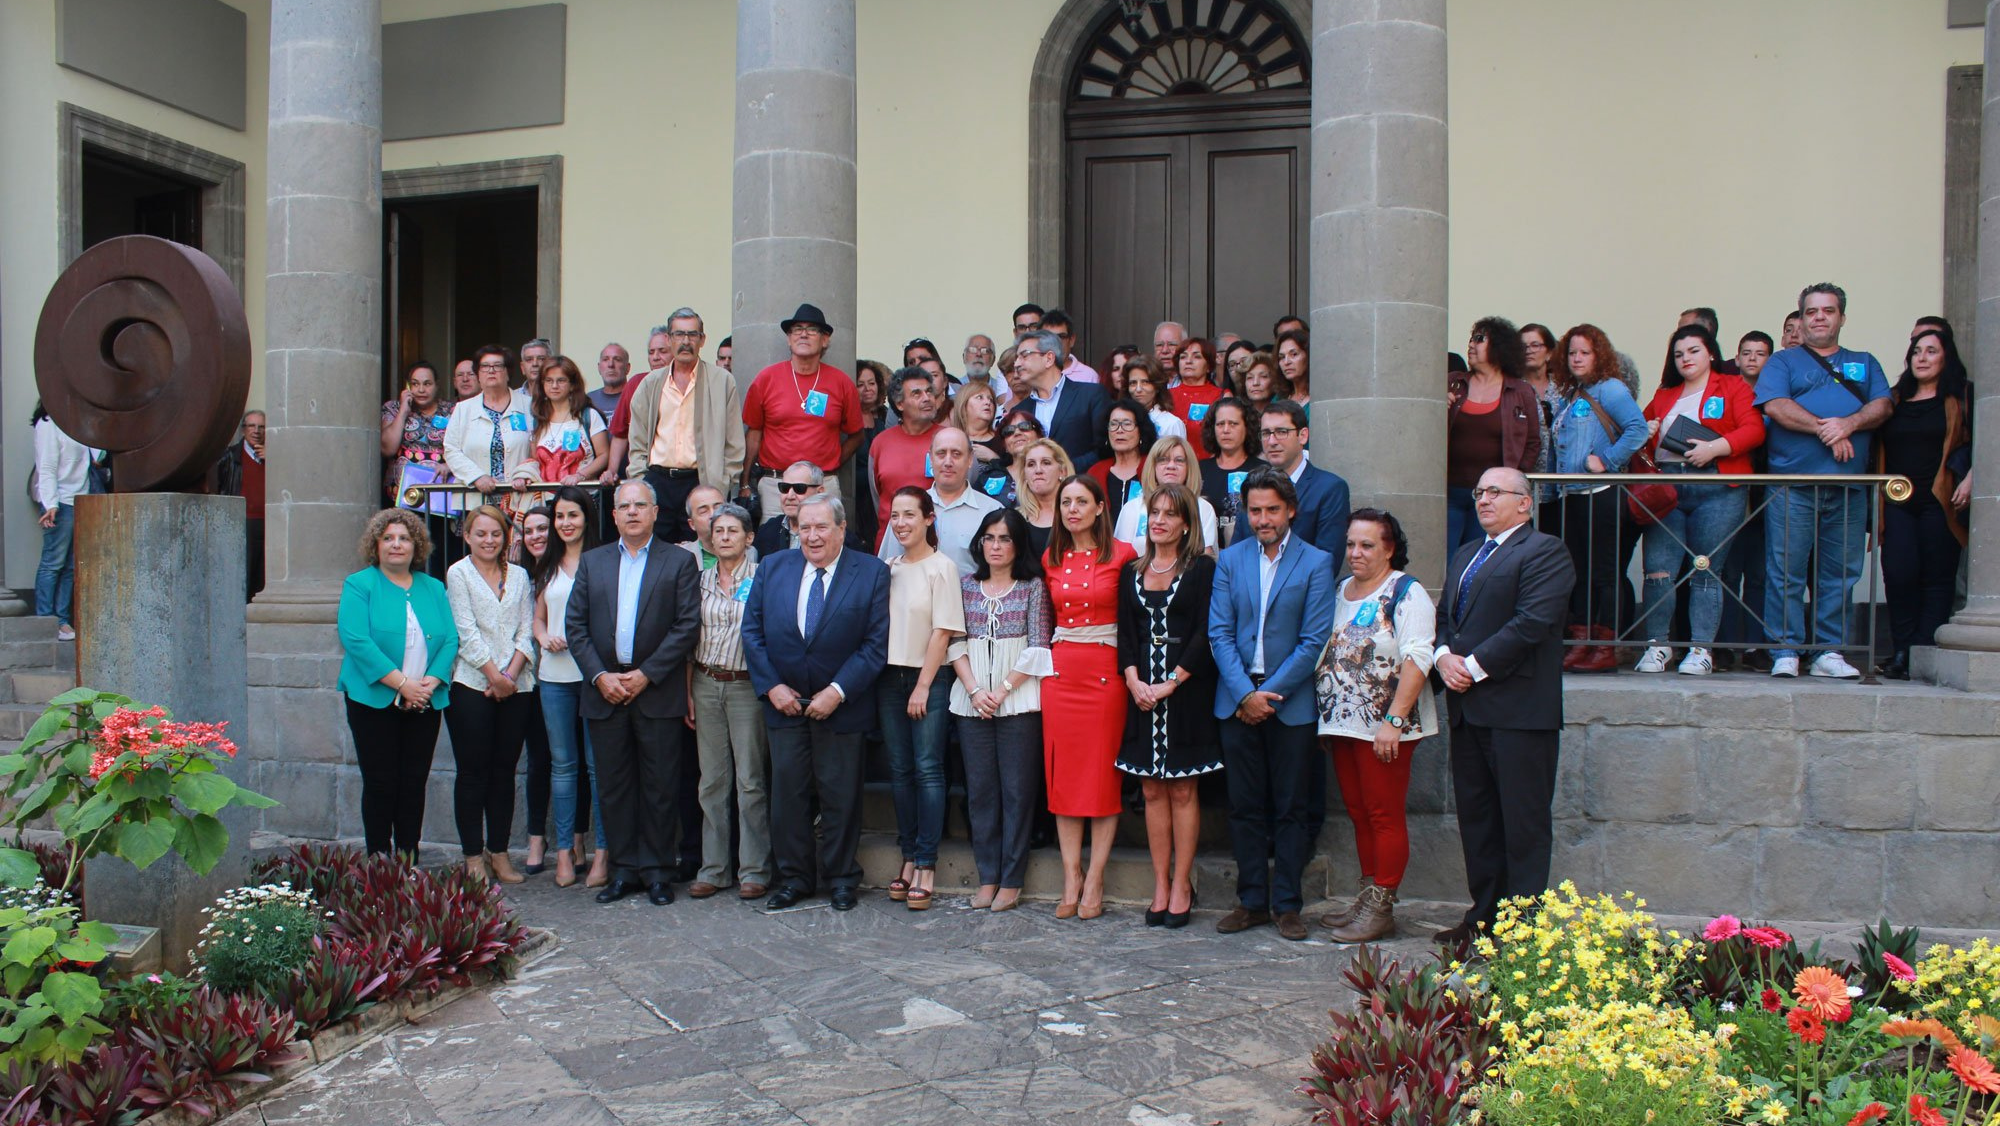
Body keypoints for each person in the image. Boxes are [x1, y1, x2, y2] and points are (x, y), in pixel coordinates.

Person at [1433, 468, 1576, 945]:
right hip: (1468, 710)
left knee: (1523, 825)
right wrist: (1442, 657)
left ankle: (1522, 932)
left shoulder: (1544, 551)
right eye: (1479, 491)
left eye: (1496, 491)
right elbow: (1445, 618)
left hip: (1519, 714)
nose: (1483, 499)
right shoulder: (1467, 553)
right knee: (1479, 822)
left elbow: (1532, 622)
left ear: (1525, 503)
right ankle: (1483, 919)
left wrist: (1472, 667)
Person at [743, 495, 891, 912]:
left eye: (821, 527)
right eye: (804, 528)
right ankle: (794, 879)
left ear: (841, 529)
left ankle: (841, 878)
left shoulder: (872, 572)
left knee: (841, 797)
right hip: (784, 705)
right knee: (788, 797)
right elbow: (752, 631)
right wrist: (772, 687)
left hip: (842, 706)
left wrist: (837, 691)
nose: (812, 536)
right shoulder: (773, 567)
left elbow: (875, 644)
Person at [1208, 470, 1334, 942]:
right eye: (1255, 510)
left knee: (1291, 806)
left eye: (1272, 510)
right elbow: (1220, 632)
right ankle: (1251, 902)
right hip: (1237, 699)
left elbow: (1313, 640)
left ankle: (1287, 905)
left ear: (1291, 510)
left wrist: (1267, 695)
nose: (1263, 519)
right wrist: (1245, 694)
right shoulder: (1230, 559)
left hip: (1290, 702)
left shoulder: (1316, 562)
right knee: (1243, 806)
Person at [566, 480, 702, 906]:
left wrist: (647, 674)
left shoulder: (679, 561)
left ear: (655, 512)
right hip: (604, 690)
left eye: (640, 505)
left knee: (660, 785)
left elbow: (686, 626)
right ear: (613, 515)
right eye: (624, 506)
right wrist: (599, 676)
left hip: (655, 689)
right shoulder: (593, 562)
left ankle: (658, 871)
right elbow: (575, 626)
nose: (631, 512)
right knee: (614, 786)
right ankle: (624, 870)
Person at [1755, 282, 1891, 680]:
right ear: (1800, 319)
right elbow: (1776, 406)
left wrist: (1849, 423)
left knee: (1840, 574)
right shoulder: (1782, 362)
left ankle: (1829, 652)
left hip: (1849, 488)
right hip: (1792, 485)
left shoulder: (1864, 361)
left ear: (1841, 318)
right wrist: (1827, 430)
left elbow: (1883, 405)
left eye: (1828, 311)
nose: (1819, 318)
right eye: (1811, 311)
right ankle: (1785, 650)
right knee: (1785, 571)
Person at [1313, 508, 1437, 943]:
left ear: (1389, 549)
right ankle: (1367, 899)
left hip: (1385, 728)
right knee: (1358, 812)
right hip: (1343, 726)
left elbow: (1419, 656)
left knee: (1383, 814)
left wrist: (1394, 720)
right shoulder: (1339, 591)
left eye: (1367, 545)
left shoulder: (1406, 592)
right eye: (1350, 544)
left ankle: (1382, 906)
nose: (1355, 552)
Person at [1633, 324, 1765, 676]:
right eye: (1678, 354)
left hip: (1717, 486)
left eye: (1693, 351)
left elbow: (1754, 429)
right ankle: (1657, 646)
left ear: (1711, 354)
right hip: (1668, 486)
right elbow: (1637, 436)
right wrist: (1645, 432)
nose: (1685, 359)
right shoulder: (1665, 394)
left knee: (1706, 568)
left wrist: (1715, 448)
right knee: (1658, 568)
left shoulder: (1733, 386)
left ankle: (1700, 650)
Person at [1116, 484, 1219, 931]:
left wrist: (1171, 683)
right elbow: (1125, 633)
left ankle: (1182, 884)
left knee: (1181, 789)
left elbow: (1205, 632)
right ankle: (1160, 883)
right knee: (1152, 790)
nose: (1159, 520)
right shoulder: (1131, 571)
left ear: (1186, 524)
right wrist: (1133, 680)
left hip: (1186, 693)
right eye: (1154, 512)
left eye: (1169, 514)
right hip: (1140, 692)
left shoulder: (1202, 569)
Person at [948, 508, 1052, 914]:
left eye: (1004, 538)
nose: (995, 546)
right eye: (989, 538)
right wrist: (976, 691)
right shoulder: (965, 586)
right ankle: (987, 876)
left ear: (1018, 545)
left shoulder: (1032, 588)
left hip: (1019, 700)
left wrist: (1002, 690)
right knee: (980, 793)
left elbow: (1039, 646)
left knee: (1017, 792)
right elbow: (954, 642)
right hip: (971, 701)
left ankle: (1012, 879)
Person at [1042, 475, 1136, 920]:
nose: (1073, 510)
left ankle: (1095, 877)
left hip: (1104, 671)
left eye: (1082, 501)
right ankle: (1070, 876)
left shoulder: (1123, 554)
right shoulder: (1051, 557)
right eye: (1066, 502)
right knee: (1063, 776)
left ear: (1100, 507)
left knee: (1101, 776)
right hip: (1061, 673)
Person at [335, 510, 454, 859]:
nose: (396, 544)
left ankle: (408, 859)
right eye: (388, 538)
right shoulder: (360, 584)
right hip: (373, 700)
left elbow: (450, 639)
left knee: (414, 783)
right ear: (376, 545)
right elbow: (355, 639)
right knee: (380, 782)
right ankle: (378, 859)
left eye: (404, 538)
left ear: (416, 546)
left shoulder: (433, 588)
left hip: (425, 700)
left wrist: (430, 682)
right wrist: (403, 685)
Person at [876, 487, 966, 912]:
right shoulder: (887, 569)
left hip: (928, 677)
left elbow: (942, 630)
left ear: (929, 518)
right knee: (900, 771)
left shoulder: (941, 567)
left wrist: (923, 686)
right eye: (895, 515)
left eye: (910, 514)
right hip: (888, 677)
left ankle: (927, 863)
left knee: (928, 769)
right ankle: (908, 855)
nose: (901, 523)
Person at [443, 505, 537, 884]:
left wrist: (510, 674)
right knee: (472, 773)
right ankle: (472, 857)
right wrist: (494, 676)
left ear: (505, 537)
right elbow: (465, 632)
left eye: (496, 534)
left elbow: (527, 629)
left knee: (504, 772)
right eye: (480, 533)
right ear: (467, 536)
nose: (489, 540)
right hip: (471, 684)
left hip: (518, 685)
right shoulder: (458, 573)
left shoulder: (520, 575)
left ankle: (499, 853)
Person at [1875, 324, 1973, 680]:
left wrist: (1972, 477)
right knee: (1898, 573)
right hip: (1897, 499)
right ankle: (1902, 650)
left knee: (1937, 577)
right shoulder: (1894, 399)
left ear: (1946, 357)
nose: (1922, 358)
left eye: (1931, 351)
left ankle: (1922, 652)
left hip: (1941, 499)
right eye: (1916, 351)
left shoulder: (1962, 397)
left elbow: (1984, 442)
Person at [688, 502, 775, 899]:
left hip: (745, 686)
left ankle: (754, 869)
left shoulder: (762, 578)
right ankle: (714, 868)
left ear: (748, 537)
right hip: (705, 681)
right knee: (711, 781)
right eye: (718, 531)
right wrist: (688, 691)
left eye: (732, 531)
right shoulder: (698, 581)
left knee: (750, 781)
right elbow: (688, 639)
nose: (724, 537)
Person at [1551, 323, 1647, 674]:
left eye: (1585, 353)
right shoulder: (1571, 393)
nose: (1577, 358)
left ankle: (1605, 647)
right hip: (1573, 495)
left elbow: (1638, 429)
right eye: (1572, 353)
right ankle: (1583, 642)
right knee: (1580, 573)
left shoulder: (1611, 389)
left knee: (1605, 573)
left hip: (1601, 493)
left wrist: (1607, 460)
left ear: (1599, 355)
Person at [530, 488, 602, 888]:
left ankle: (601, 852)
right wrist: (544, 638)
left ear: (586, 517)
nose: (565, 523)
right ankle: (563, 853)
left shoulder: (603, 560)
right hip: (555, 676)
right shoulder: (548, 563)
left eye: (572, 515)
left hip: (594, 677)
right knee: (563, 766)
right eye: (559, 516)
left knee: (597, 766)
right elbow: (539, 618)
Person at [625, 311, 747, 541]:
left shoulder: (721, 381)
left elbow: (734, 443)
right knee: (656, 552)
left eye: (692, 335)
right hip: (657, 481)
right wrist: (641, 480)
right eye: (679, 334)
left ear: (702, 340)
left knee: (703, 551)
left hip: (701, 481)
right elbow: (637, 441)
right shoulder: (651, 384)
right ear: (669, 339)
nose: (685, 341)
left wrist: (721, 486)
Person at [743, 302, 864, 519]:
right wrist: (744, 482)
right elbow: (754, 432)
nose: (804, 334)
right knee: (775, 539)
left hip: (822, 484)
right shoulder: (766, 379)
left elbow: (857, 434)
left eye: (812, 330)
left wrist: (833, 461)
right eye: (797, 329)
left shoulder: (842, 383)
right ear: (789, 339)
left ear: (824, 339)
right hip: (777, 485)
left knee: (825, 536)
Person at [1446, 319, 1542, 561]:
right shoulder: (1453, 382)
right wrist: (1439, 408)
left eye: (1479, 339)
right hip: (1448, 492)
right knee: (1445, 560)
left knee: (1482, 560)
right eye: (1471, 339)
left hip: (1493, 496)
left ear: (1499, 347)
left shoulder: (1520, 391)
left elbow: (1533, 442)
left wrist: (1515, 478)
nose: (1471, 344)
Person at [881, 428, 1003, 574]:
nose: (948, 462)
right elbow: (887, 569)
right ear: (931, 459)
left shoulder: (992, 511)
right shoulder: (907, 509)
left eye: (956, 454)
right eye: (941, 453)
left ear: (970, 459)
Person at [442, 345, 534, 510]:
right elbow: (451, 449)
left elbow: (537, 449)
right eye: (485, 366)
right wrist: (476, 477)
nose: (491, 371)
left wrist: (525, 473)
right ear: (478, 374)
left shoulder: (528, 406)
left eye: (497, 365)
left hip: (520, 499)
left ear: (507, 372)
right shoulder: (463, 409)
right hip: (474, 500)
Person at [517, 510, 558, 875]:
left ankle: (573, 840)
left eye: (542, 528)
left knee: (571, 762)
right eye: (528, 531)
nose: (536, 536)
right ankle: (535, 838)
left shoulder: (565, 570)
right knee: (539, 761)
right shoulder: (517, 576)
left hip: (562, 676)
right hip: (527, 680)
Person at [31, 407, 93, 639]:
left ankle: (63, 621)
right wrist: (51, 504)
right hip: (61, 503)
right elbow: (46, 466)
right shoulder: (48, 424)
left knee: (70, 566)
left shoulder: (79, 423)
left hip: (81, 501)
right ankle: (46, 620)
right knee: (53, 563)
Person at [1258, 400, 1350, 553]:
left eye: (1281, 432)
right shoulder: (1253, 486)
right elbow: (1236, 553)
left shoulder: (1330, 489)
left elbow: (1327, 557)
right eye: (1266, 433)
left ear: (1303, 436)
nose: (1272, 441)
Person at [518, 356, 609, 511]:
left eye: (561, 380)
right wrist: (524, 475)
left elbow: (604, 455)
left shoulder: (588, 415)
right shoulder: (537, 419)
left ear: (572, 385)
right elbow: (535, 460)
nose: (554, 386)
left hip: (583, 501)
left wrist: (580, 475)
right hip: (546, 504)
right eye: (549, 380)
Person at [868, 367, 941, 547]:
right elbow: (877, 497)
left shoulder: (949, 440)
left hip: (937, 541)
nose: (927, 398)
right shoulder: (881, 443)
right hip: (891, 542)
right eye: (917, 394)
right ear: (900, 404)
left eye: (929, 391)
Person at [1016, 329, 1106, 470]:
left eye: (1024, 355)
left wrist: (1064, 469)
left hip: (1080, 480)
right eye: (1017, 357)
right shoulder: (1020, 410)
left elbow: (1103, 449)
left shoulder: (1090, 395)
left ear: (1049, 358)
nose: (1016, 364)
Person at [1112, 435, 1219, 553]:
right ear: (1153, 466)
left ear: (1189, 468)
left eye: (1179, 460)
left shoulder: (1203, 508)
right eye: (1163, 460)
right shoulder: (1131, 508)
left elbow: (1205, 555)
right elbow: (1120, 555)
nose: (1171, 466)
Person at [381, 361, 456, 504]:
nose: (421, 390)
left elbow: (467, 449)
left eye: (427, 384)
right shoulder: (393, 408)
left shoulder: (453, 410)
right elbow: (387, 449)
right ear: (408, 386)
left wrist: (450, 466)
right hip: (400, 494)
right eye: (415, 384)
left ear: (436, 385)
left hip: (441, 494)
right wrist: (403, 411)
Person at [213, 410, 267, 600]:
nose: (256, 431)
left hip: (269, 525)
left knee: (263, 579)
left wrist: (274, 462)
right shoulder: (229, 457)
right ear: (244, 430)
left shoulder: (275, 458)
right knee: (243, 578)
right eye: (252, 426)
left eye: (261, 427)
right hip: (242, 523)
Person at [1201, 397, 1266, 549]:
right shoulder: (1199, 470)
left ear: (1247, 427)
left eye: (1233, 424)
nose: (1226, 430)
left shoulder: (1263, 470)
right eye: (1220, 424)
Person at [1088, 400, 1157, 511]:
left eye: (1127, 424)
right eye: (1113, 424)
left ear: (1141, 430)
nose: (1119, 430)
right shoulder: (1095, 472)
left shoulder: (1154, 469)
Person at [1014, 438, 1075, 562]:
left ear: (1062, 471)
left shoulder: (1078, 513)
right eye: (1031, 464)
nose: (1038, 470)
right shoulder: (1015, 520)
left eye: (1046, 463)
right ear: (1024, 475)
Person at [1519, 324, 1564, 483]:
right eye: (1523, 346)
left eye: (1535, 345)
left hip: (1562, 479)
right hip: (1524, 477)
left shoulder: (1564, 389)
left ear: (1549, 353)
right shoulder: (1512, 390)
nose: (1529, 350)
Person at [975, 408, 1043, 505]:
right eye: (1008, 431)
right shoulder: (989, 477)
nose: (1017, 433)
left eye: (1024, 426)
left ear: (1038, 436)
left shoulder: (1051, 472)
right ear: (1005, 446)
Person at [1171, 338, 1225, 458]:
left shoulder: (1221, 396)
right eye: (1183, 357)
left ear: (1209, 366)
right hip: (1172, 465)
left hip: (1208, 465)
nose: (1188, 361)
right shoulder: (1165, 396)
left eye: (1197, 357)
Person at [1125, 356, 1187, 440]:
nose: (1138, 389)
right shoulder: (1122, 421)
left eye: (1145, 382)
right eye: (1133, 383)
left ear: (1157, 386)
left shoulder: (1171, 424)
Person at [952, 380, 1003, 466]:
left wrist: (994, 458)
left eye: (991, 400)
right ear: (964, 405)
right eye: (980, 397)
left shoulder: (1003, 442)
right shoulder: (950, 440)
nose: (988, 402)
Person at [1239, 351, 1290, 419]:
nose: (1255, 383)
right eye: (1250, 377)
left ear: (1275, 380)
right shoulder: (1238, 413)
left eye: (1263, 376)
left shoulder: (1286, 412)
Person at [589, 342, 632, 420]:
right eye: (605, 359)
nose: (611, 364)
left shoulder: (636, 398)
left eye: (617, 360)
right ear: (599, 368)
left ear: (627, 368)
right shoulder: (588, 401)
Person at [1275, 330, 1311, 404]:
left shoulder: (1322, 397)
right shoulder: (1278, 399)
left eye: (1294, 354)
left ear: (1308, 355)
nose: (1286, 362)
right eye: (1282, 357)